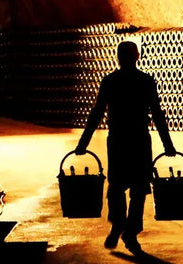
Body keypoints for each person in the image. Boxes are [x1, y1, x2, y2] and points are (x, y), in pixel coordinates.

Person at [75, 40, 176, 252]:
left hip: (118, 140)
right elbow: (157, 114)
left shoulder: (110, 81)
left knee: (117, 186)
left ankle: (118, 225)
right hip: (139, 140)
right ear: (137, 56)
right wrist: (168, 145)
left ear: (118, 58)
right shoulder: (146, 81)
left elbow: (97, 112)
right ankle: (130, 232)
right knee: (139, 189)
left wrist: (83, 143)